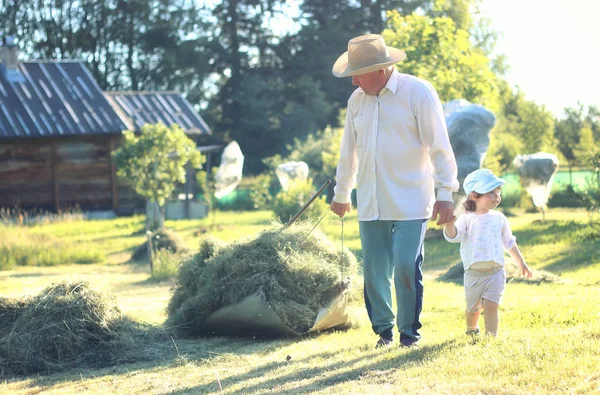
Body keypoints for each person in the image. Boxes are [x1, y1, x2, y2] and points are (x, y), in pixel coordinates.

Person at [330, 34, 459, 348]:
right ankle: (384, 334)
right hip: (371, 202)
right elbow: (349, 152)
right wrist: (342, 192)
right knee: (374, 274)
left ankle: (408, 334)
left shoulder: (417, 92)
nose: (353, 82)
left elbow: (440, 147)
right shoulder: (356, 101)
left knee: (404, 265)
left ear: (379, 70)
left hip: (411, 201)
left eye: (357, 75)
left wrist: (445, 193)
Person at [443, 168, 532, 337]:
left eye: (497, 192)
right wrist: (448, 226)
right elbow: (455, 237)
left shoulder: (499, 218)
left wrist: (521, 263)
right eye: (491, 192)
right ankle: (471, 329)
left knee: (492, 306)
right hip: (474, 274)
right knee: (473, 308)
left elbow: (509, 242)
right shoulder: (466, 218)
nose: (497, 196)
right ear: (474, 196)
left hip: (496, 272)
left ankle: (491, 337)